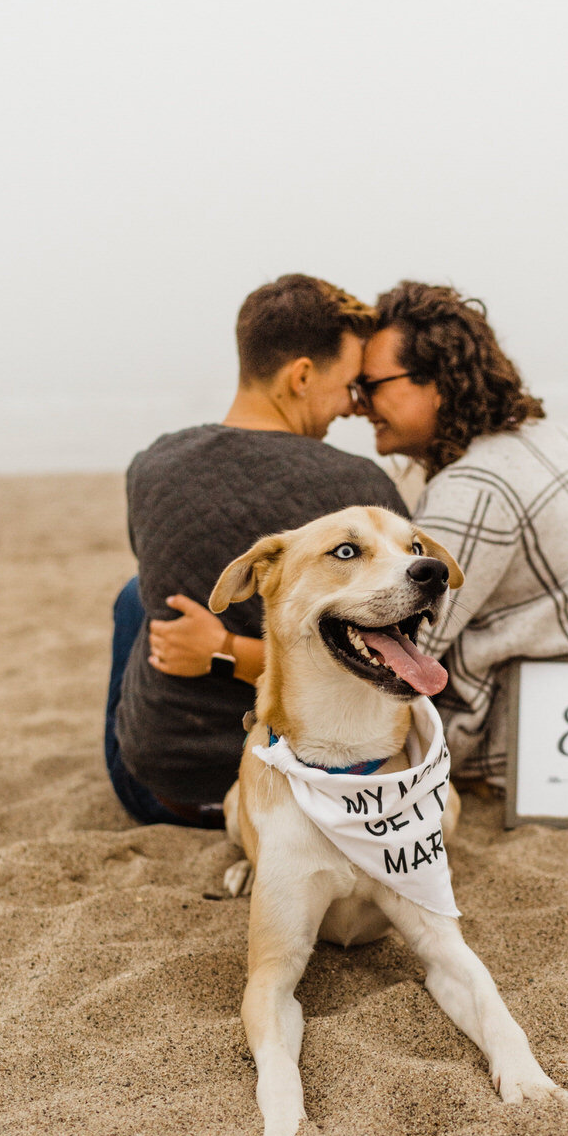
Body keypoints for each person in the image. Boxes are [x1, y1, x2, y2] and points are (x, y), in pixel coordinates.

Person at [149, 280, 568, 792]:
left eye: (372, 385)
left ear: (438, 383)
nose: (358, 405)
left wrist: (221, 650)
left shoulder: (476, 487)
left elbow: (396, 655)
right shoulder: (536, 437)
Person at [105, 274, 407, 828]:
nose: (353, 406)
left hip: (157, 791)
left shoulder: (151, 465)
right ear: (301, 376)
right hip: (300, 801)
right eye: (349, 384)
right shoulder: (357, 494)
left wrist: (219, 649)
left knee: (138, 594)